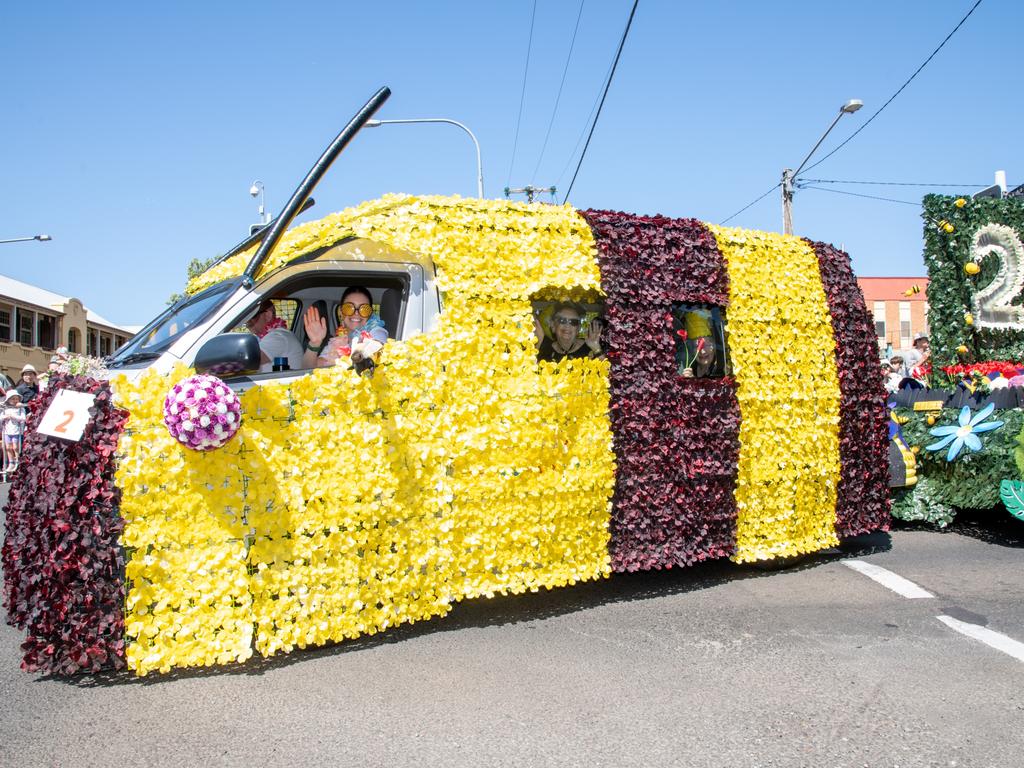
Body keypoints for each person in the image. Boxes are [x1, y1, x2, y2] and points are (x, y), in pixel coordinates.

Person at [302, 286, 388, 370]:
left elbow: (376, 347)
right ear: (342, 312)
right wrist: (314, 343)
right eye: (349, 308)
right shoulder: (338, 341)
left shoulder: (377, 331)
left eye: (364, 309)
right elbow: (307, 369)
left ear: (370, 314)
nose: (356, 313)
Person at [246, 299, 305, 373]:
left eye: (251, 317)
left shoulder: (278, 337)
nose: (247, 323)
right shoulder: (272, 336)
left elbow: (249, 360)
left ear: (268, 315)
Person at [534, 302, 602, 362]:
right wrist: (537, 345)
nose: (567, 325)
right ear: (553, 326)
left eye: (573, 322)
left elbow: (608, 373)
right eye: (562, 320)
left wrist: (596, 349)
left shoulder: (589, 348)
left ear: (578, 329)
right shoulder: (545, 350)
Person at [2, 390, 26, 471]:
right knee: (8, 447)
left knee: (15, 447)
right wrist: (5, 417)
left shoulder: (20, 409)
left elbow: (23, 418)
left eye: (16, 398)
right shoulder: (5, 409)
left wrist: (13, 416)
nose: (15, 400)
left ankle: (17, 462)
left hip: (17, 431)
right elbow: (1, 418)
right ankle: (11, 462)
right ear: (8, 399)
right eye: (13, 399)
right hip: (7, 431)